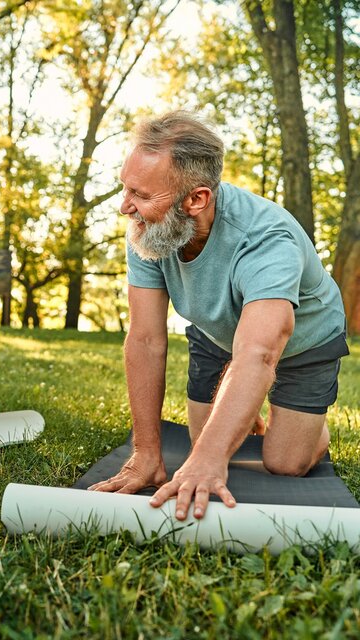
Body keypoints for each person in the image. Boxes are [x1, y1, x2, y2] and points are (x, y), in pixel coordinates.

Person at [89, 110, 349, 521]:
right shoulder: (148, 229)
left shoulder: (266, 240)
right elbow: (145, 339)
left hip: (305, 340)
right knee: (202, 442)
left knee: (285, 463)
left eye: (140, 195)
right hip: (217, 332)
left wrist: (211, 459)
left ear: (196, 199)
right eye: (127, 188)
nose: (126, 206)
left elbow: (259, 355)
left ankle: (307, 426)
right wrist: (146, 452)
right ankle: (246, 404)